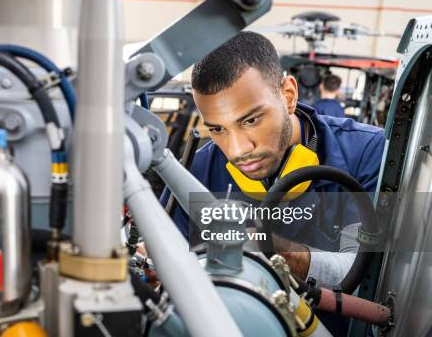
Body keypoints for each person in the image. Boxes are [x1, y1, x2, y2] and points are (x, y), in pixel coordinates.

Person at [160, 32, 384, 288]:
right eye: (218, 129)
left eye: (251, 120)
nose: (237, 150)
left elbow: (364, 274)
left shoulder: (367, 152)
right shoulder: (195, 170)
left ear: (288, 95)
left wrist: (262, 247)